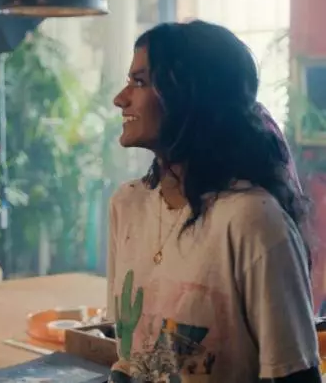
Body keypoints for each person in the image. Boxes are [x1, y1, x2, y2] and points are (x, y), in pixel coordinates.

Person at [106, 20, 320, 382]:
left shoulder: (251, 219)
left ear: (188, 96)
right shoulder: (127, 205)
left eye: (140, 82)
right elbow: (130, 359)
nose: (120, 98)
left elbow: (295, 376)